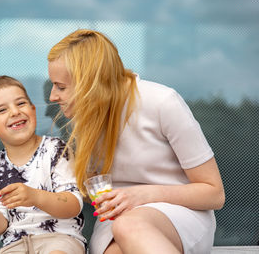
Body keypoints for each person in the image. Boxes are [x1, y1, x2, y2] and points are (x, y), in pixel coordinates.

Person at [47, 29, 225, 254]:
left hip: (178, 214)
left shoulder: (163, 102)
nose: (53, 96)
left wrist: (142, 195)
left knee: (129, 225)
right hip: (118, 218)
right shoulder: (87, 119)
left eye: (61, 87)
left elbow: (214, 194)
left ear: (89, 82)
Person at [0, 75, 86, 254]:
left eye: (20, 104)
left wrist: (35, 197)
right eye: (2, 110)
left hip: (60, 239)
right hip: (15, 245)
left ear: (33, 110)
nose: (14, 112)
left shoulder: (56, 149)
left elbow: (73, 205)